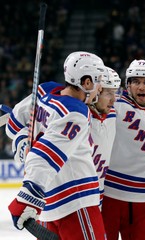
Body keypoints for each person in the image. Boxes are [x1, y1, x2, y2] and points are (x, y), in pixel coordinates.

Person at [7, 51, 107, 239]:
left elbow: (14, 123)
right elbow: (44, 157)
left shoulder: (45, 91)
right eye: (98, 80)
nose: (100, 88)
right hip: (76, 203)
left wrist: (23, 143)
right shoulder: (75, 112)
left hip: (49, 202)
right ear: (86, 82)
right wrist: (26, 199)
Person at [101, 59, 145, 240]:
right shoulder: (115, 104)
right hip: (111, 197)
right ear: (127, 85)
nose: (141, 87)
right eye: (136, 82)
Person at [89, 66, 121, 206]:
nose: (113, 100)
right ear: (96, 91)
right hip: (73, 200)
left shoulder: (113, 113)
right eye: (109, 93)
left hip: (99, 196)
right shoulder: (77, 116)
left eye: (115, 93)